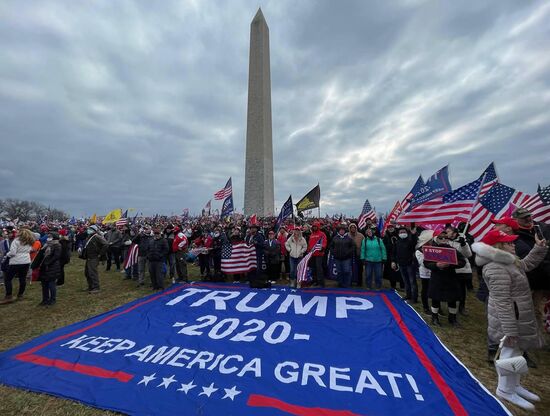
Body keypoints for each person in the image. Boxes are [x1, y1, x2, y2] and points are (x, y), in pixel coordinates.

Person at [472, 229, 547, 411]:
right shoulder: (496, 268)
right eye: (508, 243)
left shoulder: (508, 261)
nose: (513, 244)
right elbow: (502, 302)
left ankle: (515, 385)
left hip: (518, 316)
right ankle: (505, 389)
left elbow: (526, 264)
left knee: (516, 353)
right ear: (498, 246)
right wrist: (509, 330)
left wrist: (538, 249)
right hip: (509, 319)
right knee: (508, 354)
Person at [424, 230, 466, 327]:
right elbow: (426, 263)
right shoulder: (431, 249)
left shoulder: (453, 250)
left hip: (450, 278)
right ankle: (434, 318)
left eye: (445, 238)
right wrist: (436, 265)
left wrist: (450, 264)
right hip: (437, 278)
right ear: (436, 239)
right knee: (435, 298)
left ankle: (452, 318)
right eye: (440, 238)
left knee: (452, 299)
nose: (443, 239)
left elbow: (462, 262)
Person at [0, 227, 35, 304]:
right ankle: (20, 295)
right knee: (22, 278)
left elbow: (12, 252)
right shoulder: (29, 241)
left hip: (16, 262)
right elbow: (30, 250)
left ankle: (8, 296)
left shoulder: (16, 241)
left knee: (8, 279)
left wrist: (7, 255)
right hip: (26, 261)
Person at [446, 225, 473, 315]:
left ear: (454, 233)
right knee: (451, 289)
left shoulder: (462, 240)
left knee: (462, 290)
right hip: (451, 269)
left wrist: (463, 245)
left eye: (448, 231)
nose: (446, 233)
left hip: (462, 269)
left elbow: (468, 255)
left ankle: (462, 307)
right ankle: (451, 307)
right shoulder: (446, 241)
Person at [392, 226, 418, 303]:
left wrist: (413, 234)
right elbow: (394, 252)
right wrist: (393, 261)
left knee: (412, 281)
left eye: (404, 232)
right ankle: (408, 295)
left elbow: (414, 243)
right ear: (398, 234)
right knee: (405, 281)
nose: (402, 233)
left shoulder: (410, 241)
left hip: (410, 264)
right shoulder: (397, 242)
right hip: (401, 264)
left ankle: (414, 298)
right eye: (401, 232)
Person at [81, 225, 108, 294]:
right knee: (87, 273)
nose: (88, 230)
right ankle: (90, 286)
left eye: (90, 229)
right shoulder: (89, 236)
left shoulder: (97, 236)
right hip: (89, 257)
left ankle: (96, 287)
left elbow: (106, 244)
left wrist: (100, 253)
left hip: (94, 257)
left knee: (92, 273)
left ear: (94, 230)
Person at [38, 231, 62, 306]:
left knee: (51, 284)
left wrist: (48, 262)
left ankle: (52, 299)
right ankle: (45, 299)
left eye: (50, 236)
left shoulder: (57, 245)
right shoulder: (46, 245)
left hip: (52, 266)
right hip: (44, 266)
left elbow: (56, 256)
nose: (48, 238)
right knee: (44, 283)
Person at [329, 224, 354, 288]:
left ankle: (347, 284)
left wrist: (348, 253)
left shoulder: (349, 238)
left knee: (346, 271)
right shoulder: (335, 238)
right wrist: (334, 253)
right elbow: (331, 246)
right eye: (340, 230)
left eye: (343, 230)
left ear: (344, 231)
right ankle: (340, 284)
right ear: (339, 231)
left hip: (346, 259)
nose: (342, 231)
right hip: (337, 258)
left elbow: (353, 247)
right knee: (339, 272)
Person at [415, 230, 433, 314]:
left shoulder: (434, 248)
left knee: (434, 289)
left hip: (434, 272)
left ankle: (436, 307)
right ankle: (425, 307)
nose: (431, 241)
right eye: (430, 240)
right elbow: (422, 262)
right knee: (425, 289)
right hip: (425, 273)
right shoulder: (419, 251)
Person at [307, 221, 328, 287]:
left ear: (318, 227)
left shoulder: (322, 234)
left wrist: (323, 247)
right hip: (312, 254)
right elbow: (310, 244)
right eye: (313, 226)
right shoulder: (311, 235)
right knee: (313, 268)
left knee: (319, 268)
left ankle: (321, 282)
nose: (314, 227)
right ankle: (315, 281)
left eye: (315, 226)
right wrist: (308, 251)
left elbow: (324, 241)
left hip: (319, 254)